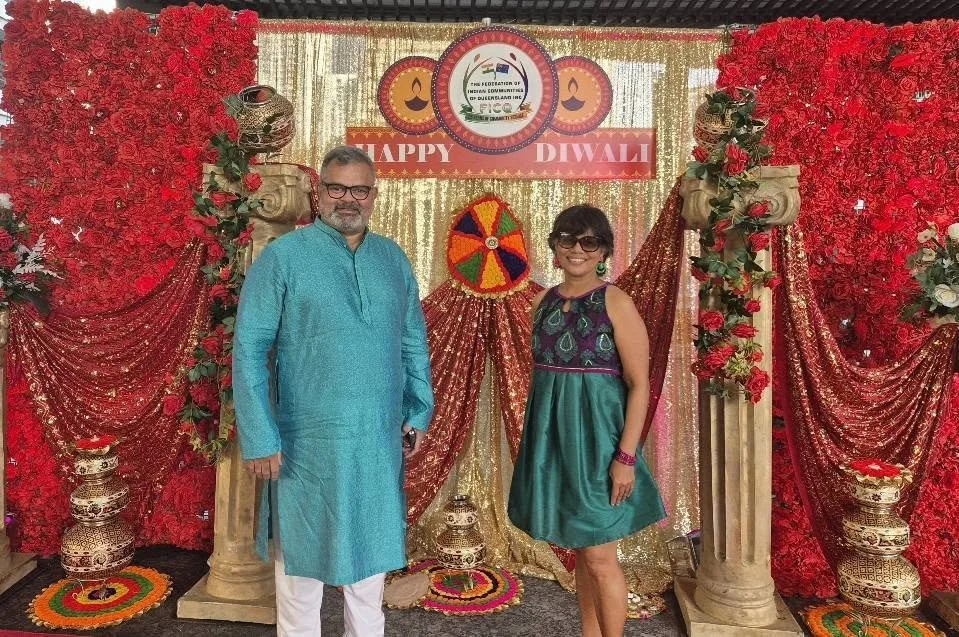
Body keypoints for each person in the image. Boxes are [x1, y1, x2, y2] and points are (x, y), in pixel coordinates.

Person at [233, 146, 434, 637]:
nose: (349, 199)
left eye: (359, 189)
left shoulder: (391, 258)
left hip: (375, 439)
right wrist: (260, 438)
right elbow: (248, 348)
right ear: (318, 192)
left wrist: (418, 408)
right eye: (337, 188)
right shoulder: (284, 258)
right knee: (299, 578)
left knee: (368, 577)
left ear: (373, 195)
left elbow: (412, 338)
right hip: (306, 444)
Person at [508, 204, 666, 637]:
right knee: (581, 551)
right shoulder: (541, 302)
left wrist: (626, 456)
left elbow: (639, 385)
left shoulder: (616, 302)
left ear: (603, 252)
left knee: (599, 558)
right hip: (556, 445)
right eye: (567, 240)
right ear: (555, 248)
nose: (577, 249)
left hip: (601, 446)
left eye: (589, 241)